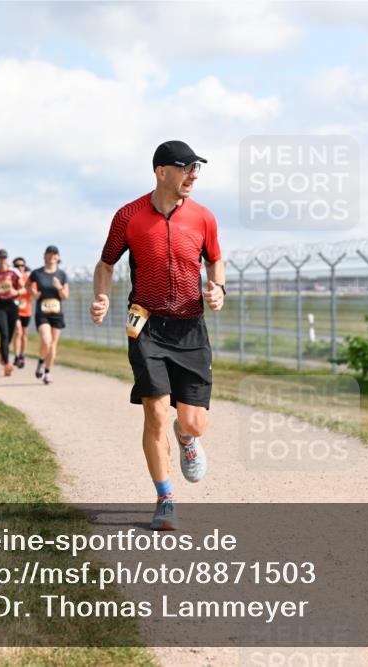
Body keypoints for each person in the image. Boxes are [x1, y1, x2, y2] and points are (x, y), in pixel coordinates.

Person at [91, 140, 225, 531]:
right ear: (161, 171)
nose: (193, 176)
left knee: (195, 421)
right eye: (186, 168)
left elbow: (216, 261)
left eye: (197, 169)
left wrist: (218, 289)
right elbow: (106, 264)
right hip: (146, 324)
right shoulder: (128, 217)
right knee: (154, 412)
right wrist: (101, 296)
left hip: (190, 327)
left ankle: (186, 438)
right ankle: (165, 498)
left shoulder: (203, 217)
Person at [29, 246, 68, 386]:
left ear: (58, 257)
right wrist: (33, 293)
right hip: (42, 313)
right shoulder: (37, 273)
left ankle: (47, 371)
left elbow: (65, 296)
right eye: (49, 253)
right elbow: (28, 285)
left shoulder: (62, 275)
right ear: (45, 255)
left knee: (53, 344)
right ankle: (41, 360)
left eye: (55, 254)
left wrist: (59, 287)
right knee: (46, 340)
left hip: (57, 313)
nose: (52, 256)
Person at [12, 256, 32, 369]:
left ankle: (22, 355)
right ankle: (16, 356)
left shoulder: (28, 278)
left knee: (24, 334)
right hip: (14, 309)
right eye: (17, 266)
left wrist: (20, 288)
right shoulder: (11, 277)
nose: (20, 267)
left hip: (26, 309)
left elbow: (31, 291)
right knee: (18, 332)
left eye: (22, 265)